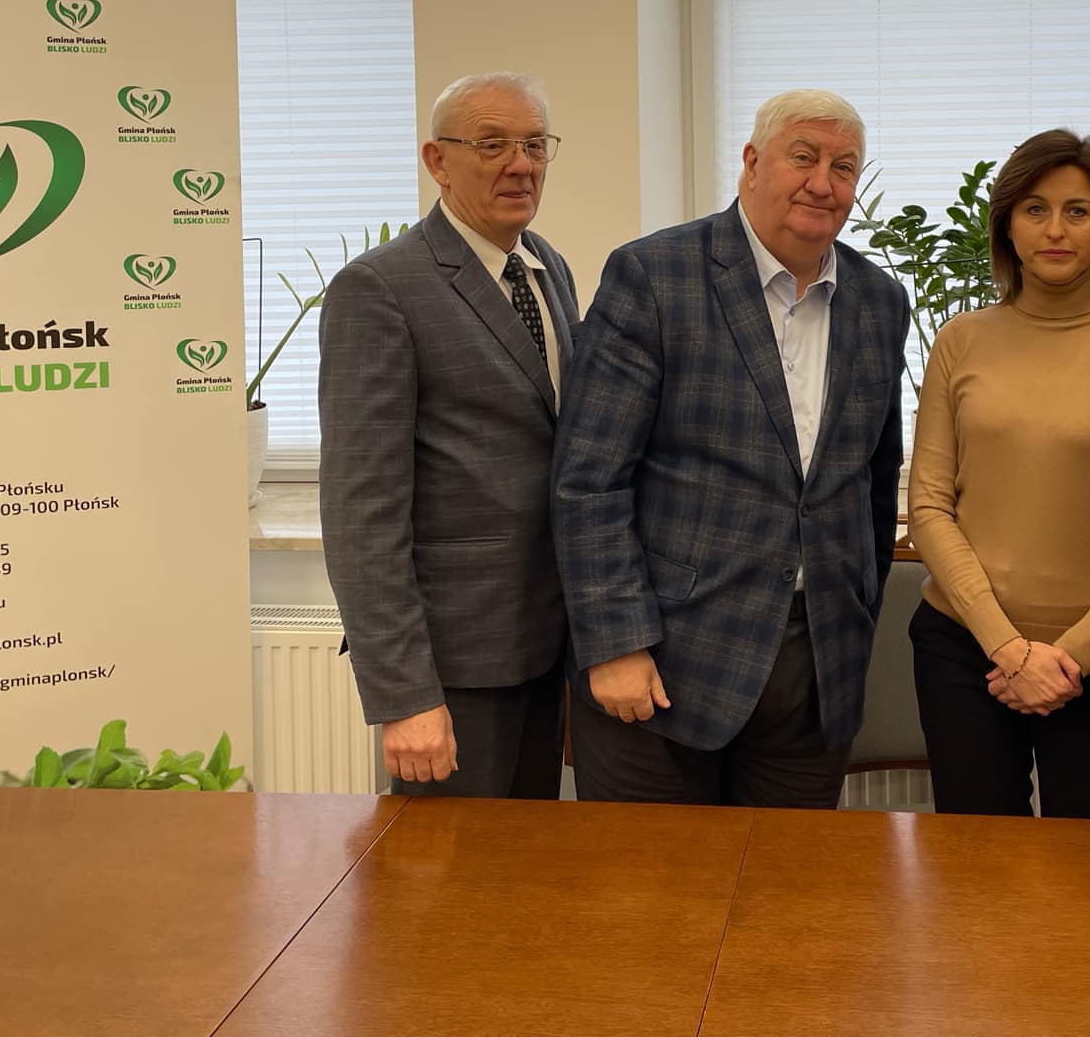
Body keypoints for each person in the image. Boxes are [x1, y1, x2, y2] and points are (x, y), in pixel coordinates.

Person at [551, 89, 908, 807]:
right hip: (664, 668)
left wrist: (858, 615)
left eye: (843, 167)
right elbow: (589, 480)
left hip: (814, 678)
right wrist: (616, 642)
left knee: (787, 881)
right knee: (651, 880)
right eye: (802, 157)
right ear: (751, 163)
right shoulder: (656, 276)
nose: (822, 183)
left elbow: (873, 478)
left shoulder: (879, 300)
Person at [906, 129, 1090, 819]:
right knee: (976, 868)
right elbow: (930, 507)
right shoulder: (960, 341)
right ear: (1007, 224)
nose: (1055, 229)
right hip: (966, 652)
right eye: (1034, 209)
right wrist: (1007, 648)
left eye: (1077, 210)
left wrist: (1073, 656)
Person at [318, 72, 579, 797]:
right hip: (451, 669)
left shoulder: (547, 267)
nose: (520, 165)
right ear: (438, 160)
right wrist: (404, 696)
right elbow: (360, 511)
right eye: (492, 144)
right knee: (447, 867)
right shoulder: (379, 288)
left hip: (544, 649)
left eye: (534, 144)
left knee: (526, 860)